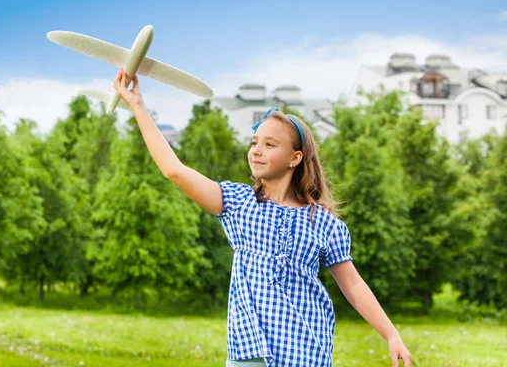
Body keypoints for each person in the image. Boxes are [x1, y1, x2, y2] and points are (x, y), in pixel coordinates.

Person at [112, 68, 412, 367]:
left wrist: (391, 335)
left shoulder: (322, 223)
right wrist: (137, 105)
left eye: (269, 144)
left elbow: (354, 286)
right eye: (254, 142)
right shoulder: (239, 203)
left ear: (295, 158)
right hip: (248, 352)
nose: (256, 150)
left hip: (306, 352)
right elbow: (174, 169)